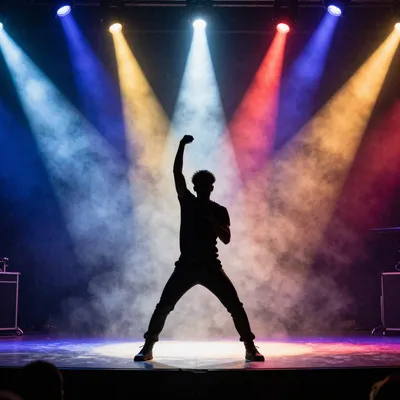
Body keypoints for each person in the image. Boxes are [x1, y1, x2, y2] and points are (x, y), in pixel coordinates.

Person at [134, 135, 264, 362]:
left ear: (212, 187)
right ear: (195, 187)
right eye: (200, 186)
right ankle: (148, 347)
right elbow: (177, 173)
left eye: (207, 186)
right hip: (186, 265)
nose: (204, 189)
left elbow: (226, 239)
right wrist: (181, 146)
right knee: (164, 306)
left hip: (211, 266)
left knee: (235, 306)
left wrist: (213, 221)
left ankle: (250, 348)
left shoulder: (219, 210)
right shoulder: (188, 201)